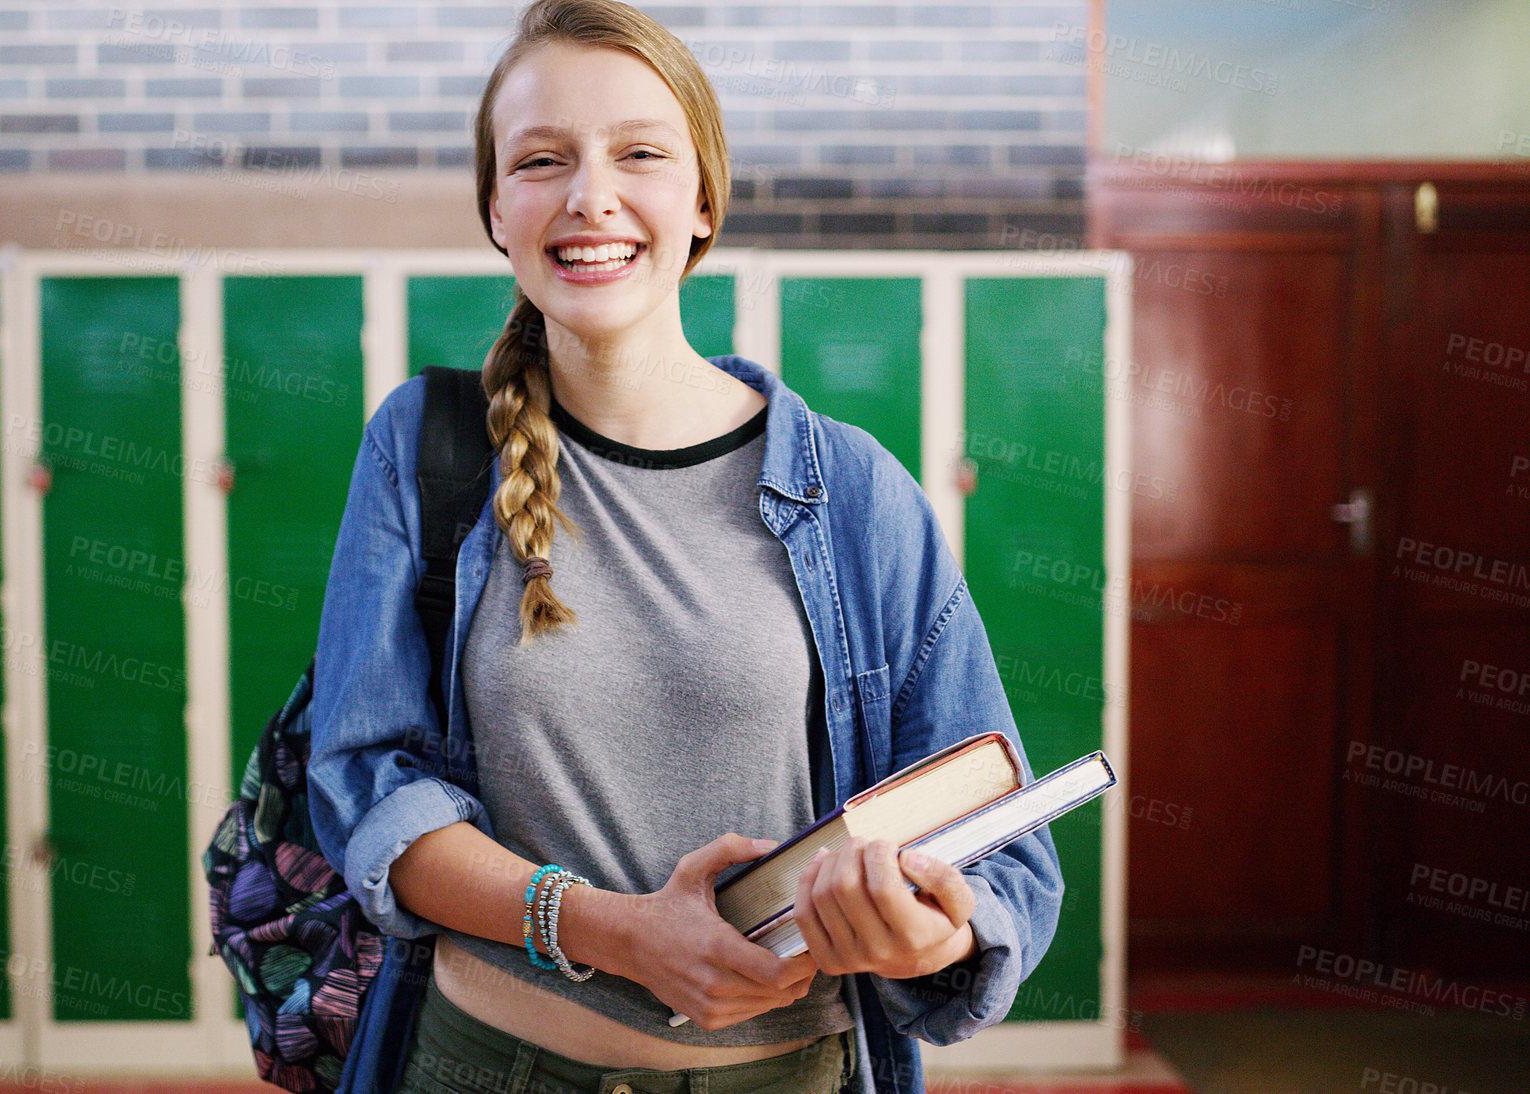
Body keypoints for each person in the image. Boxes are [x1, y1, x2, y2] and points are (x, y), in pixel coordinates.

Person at [304, 1, 1064, 1092]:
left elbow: (1000, 852)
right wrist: (610, 928)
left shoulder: (854, 493)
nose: (589, 196)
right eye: (541, 159)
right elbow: (371, 784)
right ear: (493, 209)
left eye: (639, 153)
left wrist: (922, 934)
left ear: (702, 199)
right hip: (482, 1066)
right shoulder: (425, 449)